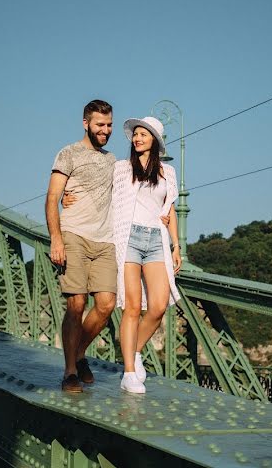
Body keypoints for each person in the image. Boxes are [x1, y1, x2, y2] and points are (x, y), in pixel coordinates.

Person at [45, 100, 117, 393]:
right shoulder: (68, 153)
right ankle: (70, 371)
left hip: (105, 240)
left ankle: (78, 352)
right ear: (86, 123)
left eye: (110, 125)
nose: (106, 130)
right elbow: (52, 198)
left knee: (106, 304)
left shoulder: (114, 161)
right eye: (100, 124)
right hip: (74, 234)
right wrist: (56, 238)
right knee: (76, 304)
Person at [111, 116, 182, 394]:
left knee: (158, 306)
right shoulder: (120, 168)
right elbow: (97, 191)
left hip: (156, 240)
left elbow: (170, 209)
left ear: (155, 140)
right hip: (128, 238)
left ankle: (135, 351)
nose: (138, 138)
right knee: (131, 306)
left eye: (144, 134)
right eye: (136, 134)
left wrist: (176, 245)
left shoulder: (168, 172)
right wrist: (68, 195)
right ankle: (129, 372)